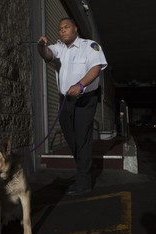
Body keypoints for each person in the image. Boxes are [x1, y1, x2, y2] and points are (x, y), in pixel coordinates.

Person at [37, 18, 108, 195]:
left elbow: (96, 68)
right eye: (60, 28)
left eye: (66, 27)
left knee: (82, 138)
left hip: (85, 99)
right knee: (72, 139)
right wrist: (41, 46)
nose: (63, 31)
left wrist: (81, 85)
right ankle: (84, 167)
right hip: (65, 101)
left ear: (75, 28)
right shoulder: (58, 48)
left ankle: (83, 182)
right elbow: (46, 55)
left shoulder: (89, 46)